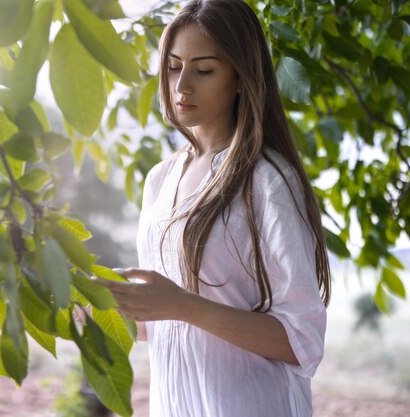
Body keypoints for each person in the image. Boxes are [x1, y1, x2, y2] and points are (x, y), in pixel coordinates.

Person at [97, 1, 331, 416]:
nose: (182, 85)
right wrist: (95, 309)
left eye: (204, 69)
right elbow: (167, 326)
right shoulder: (159, 180)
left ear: (241, 77)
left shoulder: (268, 181)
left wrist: (181, 304)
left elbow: (302, 341)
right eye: (173, 67)